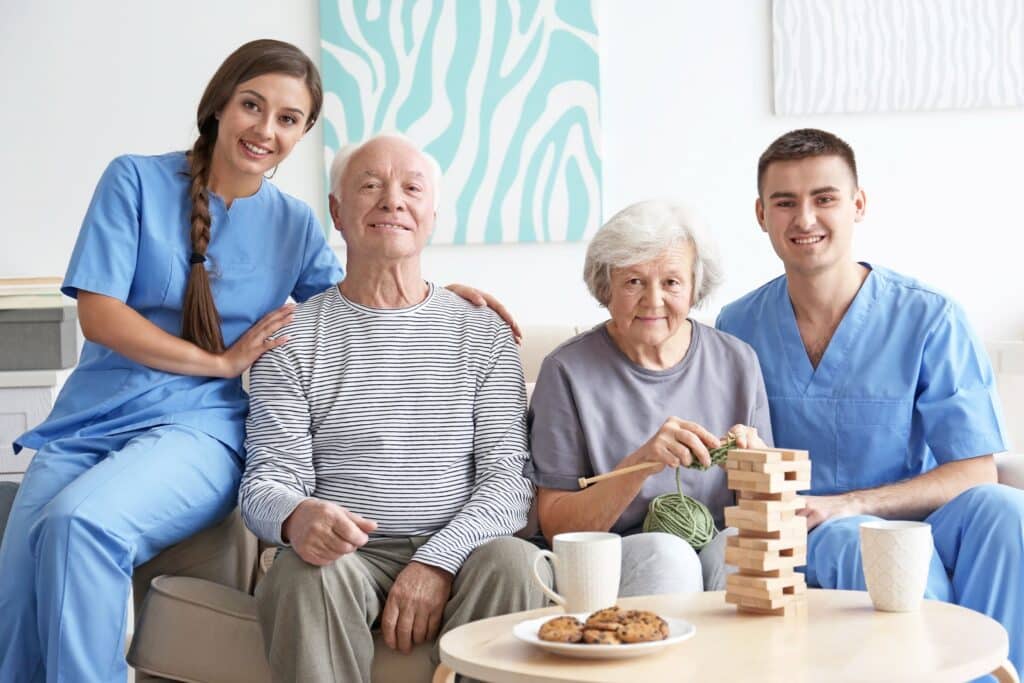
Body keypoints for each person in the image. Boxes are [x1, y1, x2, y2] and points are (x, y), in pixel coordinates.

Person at [0, 41, 514, 683]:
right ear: (220, 103)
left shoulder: (295, 225)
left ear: (301, 135)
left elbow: (369, 288)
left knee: (80, 525)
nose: (266, 130)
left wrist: (450, 297)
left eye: (289, 119)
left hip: (196, 427)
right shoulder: (133, 179)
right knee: (17, 581)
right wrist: (216, 361)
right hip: (89, 421)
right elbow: (100, 315)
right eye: (252, 105)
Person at [717, 128, 1024, 671]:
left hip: (923, 521)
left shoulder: (930, 317)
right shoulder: (737, 327)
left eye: (824, 198)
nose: (805, 219)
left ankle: (999, 675)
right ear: (761, 215)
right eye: (785, 202)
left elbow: (977, 472)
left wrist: (853, 503)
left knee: (1007, 509)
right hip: (813, 533)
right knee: (865, 548)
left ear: (857, 205)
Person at [239, 134, 543, 683]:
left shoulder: (482, 332)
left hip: (463, 548)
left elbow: (508, 483)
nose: (392, 201)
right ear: (336, 210)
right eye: (370, 186)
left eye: (411, 188)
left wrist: (438, 558)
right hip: (346, 559)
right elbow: (266, 483)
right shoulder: (293, 339)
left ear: (432, 213)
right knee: (301, 574)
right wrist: (296, 515)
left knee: (514, 562)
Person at [525, 199, 773, 595]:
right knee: (667, 552)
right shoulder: (567, 372)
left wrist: (760, 469)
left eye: (671, 282)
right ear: (606, 289)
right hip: (622, 557)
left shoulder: (737, 361)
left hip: (715, 547)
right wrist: (641, 464)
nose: (653, 300)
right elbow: (556, 527)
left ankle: (741, 658)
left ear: (694, 288)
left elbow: (765, 513)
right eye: (634, 282)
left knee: (743, 546)